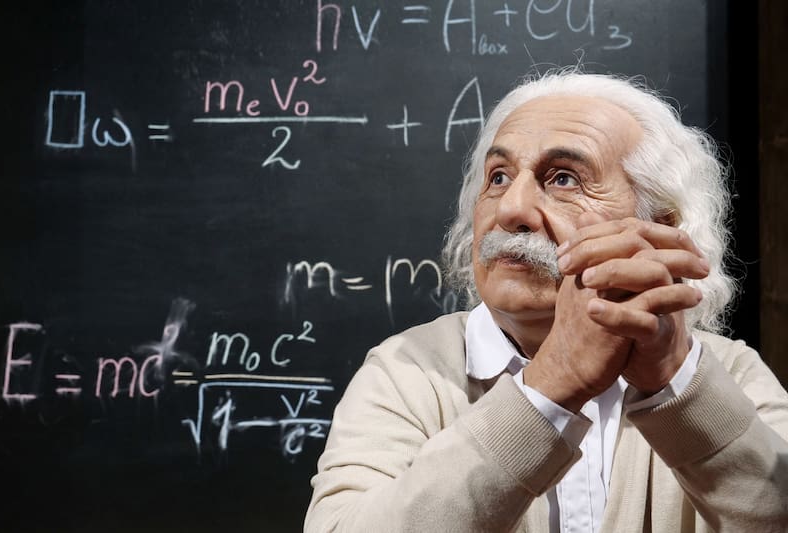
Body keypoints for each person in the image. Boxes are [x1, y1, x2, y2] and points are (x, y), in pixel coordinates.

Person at [304, 68, 788, 532]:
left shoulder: (728, 373)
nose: (511, 209)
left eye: (563, 178)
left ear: (658, 229)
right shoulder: (407, 371)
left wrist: (674, 384)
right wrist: (551, 382)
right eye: (498, 177)